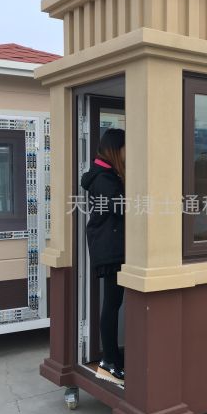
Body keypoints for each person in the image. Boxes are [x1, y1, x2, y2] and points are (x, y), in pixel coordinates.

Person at [80, 128, 126, 385]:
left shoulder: (105, 174)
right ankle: (109, 360)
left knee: (113, 303)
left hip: (110, 246)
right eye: (126, 148)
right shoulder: (104, 179)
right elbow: (121, 207)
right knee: (111, 304)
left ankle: (113, 358)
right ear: (115, 149)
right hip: (111, 249)